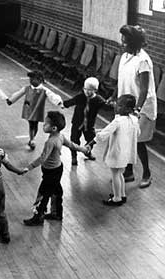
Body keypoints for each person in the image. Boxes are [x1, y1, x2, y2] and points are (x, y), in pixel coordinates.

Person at [22, 111, 88, 226]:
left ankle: (38, 216)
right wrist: (83, 149)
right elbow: (72, 145)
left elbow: (43, 158)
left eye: (46, 123)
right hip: (57, 169)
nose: (43, 125)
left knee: (43, 193)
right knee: (56, 191)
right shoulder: (60, 136)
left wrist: (29, 167)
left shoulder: (50, 141)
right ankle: (56, 213)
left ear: (53, 128)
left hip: (50, 172)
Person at [114, 25, 157, 188]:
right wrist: (114, 95)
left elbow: (144, 89)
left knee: (137, 141)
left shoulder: (143, 60)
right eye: (122, 41)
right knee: (126, 139)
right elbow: (121, 79)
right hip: (126, 104)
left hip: (142, 107)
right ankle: (129, 172)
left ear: (133, 42)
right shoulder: (125, 56)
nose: (122, 44)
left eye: (125, 42)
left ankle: (147, 173)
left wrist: (137, 109)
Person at [86, 95, 140, 206]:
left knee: (115, 174)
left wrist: (92, 143)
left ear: (128, 109)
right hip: (126, 153)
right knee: (120, 173)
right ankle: (122, 194)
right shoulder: (134, 120)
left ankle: (117, 198)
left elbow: (103, 134)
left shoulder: (118, 121)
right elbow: (138, 133)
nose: (116, 106)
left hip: (117, 153)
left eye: (120, 105)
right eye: (117, 103)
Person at [7, 70, 63, 150]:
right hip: (29, 109)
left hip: (37, 110)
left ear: (40, 80)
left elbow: (52, 96)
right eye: (30, 79)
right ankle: (32, 139)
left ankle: (32, 139)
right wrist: (11, 100)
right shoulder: (27, 88)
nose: (31, 81)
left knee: (35, 124)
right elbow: (18, 93)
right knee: (31, 124)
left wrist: (59, 103)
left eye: (33, 79)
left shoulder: (44, 90)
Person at [63, 77, 107, 166]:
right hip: (77, 123)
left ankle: (87, 151)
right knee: (74, 140)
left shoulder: (98, 100)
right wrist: (61, 103)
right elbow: (70, 102)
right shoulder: (80, 96)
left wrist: (112, 105)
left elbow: (106, 106)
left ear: (95, 90)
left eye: (90, 90)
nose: (87, 92)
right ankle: (74, 156)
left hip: (89, 125)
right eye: (85, 89)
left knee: (91, 139)